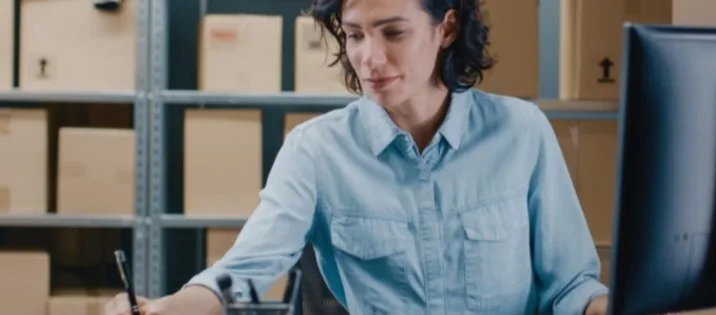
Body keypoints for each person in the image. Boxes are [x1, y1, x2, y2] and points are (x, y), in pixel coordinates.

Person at [104, 0, 609, 313]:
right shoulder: (317, 150)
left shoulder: (520, 133)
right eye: (354, 34)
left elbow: (569, 286)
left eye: (393, 32)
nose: (369, 58)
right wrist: (171, 308)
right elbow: (244, 273)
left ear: (446, 28)